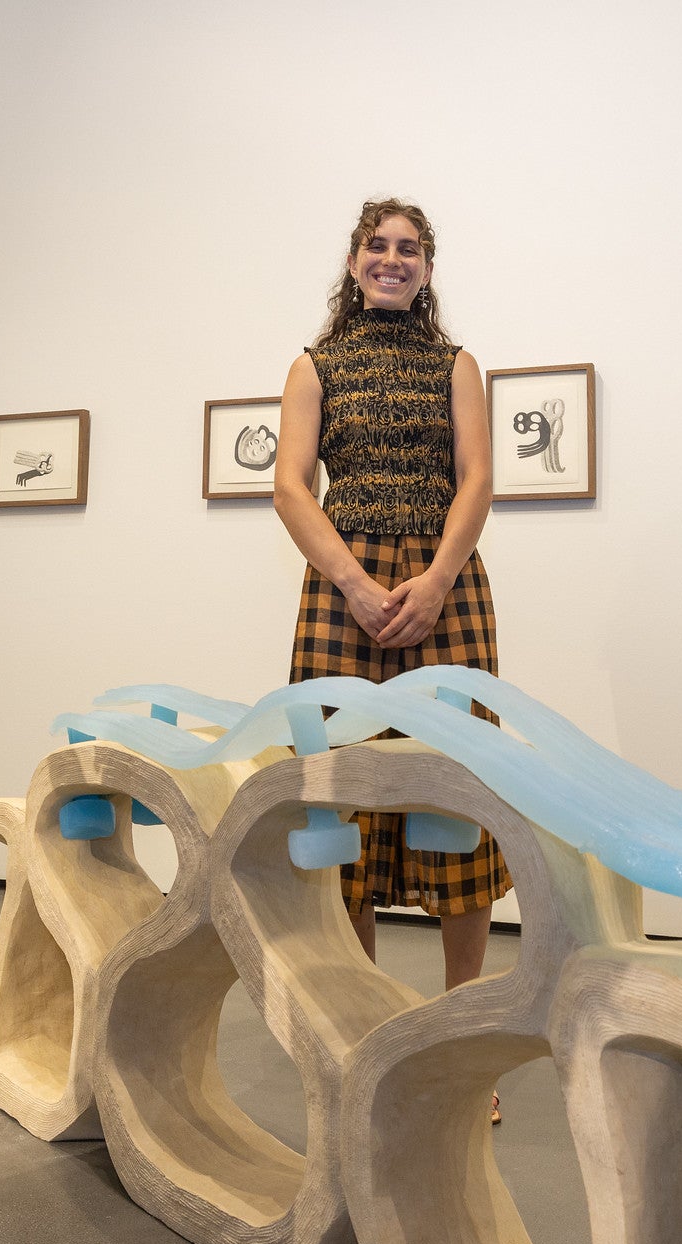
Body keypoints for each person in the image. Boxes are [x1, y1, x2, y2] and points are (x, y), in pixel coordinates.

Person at [273, 197, 510, 1010]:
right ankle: (367, 1015)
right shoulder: (314, 365)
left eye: (410, 249)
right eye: (379, 246)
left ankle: (460, 1023)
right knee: (342, 794)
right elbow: (290, 487)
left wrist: (439, 577)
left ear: (428, 269)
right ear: (354, 263)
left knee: (459, 787)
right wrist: (355, 585)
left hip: (446, 586)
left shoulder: (457, 365)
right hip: (347, 591)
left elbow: (477, 479)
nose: (393, 259)